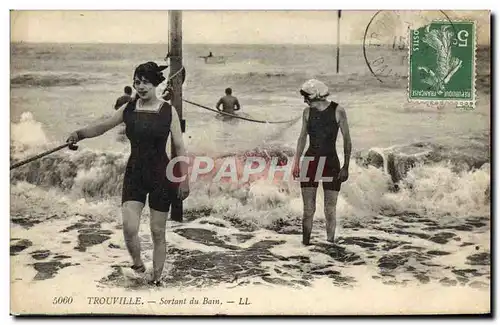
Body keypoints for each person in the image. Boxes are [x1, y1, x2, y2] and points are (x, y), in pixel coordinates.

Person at [66, 61, 190, 286]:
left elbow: (180, 147)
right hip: (135, 174)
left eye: (146, 82)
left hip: (162, 176)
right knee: (129, 228)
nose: (141, 87)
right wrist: (78, 134)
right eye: (137, 82)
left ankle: (156, 280)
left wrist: (183, 180)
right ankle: (138, 264)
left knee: (157, 231)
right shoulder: (129, 109)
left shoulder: (168, 111)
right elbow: (102, 126)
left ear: (156, 84)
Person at [292, 79, 352, 246]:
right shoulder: (306, 112)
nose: (305, 101)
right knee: (308, 210)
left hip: (331, 163)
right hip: (310, 161)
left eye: (307, 97)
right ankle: (305, 245)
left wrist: (346, 166)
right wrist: (296, 163)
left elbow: (347, 140)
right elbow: (302, 138)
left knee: (330, 210)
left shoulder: (338, 110)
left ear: (316, 95)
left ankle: (330, 244)